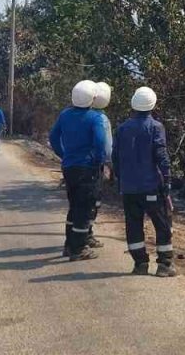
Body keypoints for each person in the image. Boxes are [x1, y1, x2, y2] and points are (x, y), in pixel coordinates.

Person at [112, 86, 178, 277]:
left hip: (129, 188)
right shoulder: (156, 127)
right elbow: (162, 157)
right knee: (162, 223)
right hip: (151, 187)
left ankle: (140, 264)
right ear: (153, 105)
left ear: (133, 104)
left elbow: (115, 157)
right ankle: (165, 265)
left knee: (133, 225)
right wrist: (167, 183)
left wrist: (121, 179)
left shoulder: (122, 129)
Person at [49, 80, 109, 261]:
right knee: (84, 208)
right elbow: (100, 144)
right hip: (87, 168)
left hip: (69, 168)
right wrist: (98, 162)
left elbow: (53, 137)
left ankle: (69, 245)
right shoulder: (95, 118)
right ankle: (78, 249)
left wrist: (63, 154)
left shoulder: (65, 115)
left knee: (74, 206)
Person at [83, 82, 115, 250]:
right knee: (93, 200)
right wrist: (110, 165)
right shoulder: (101, 119)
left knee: (79, 202)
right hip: (95, 165)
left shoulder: (81, 113)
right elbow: (107, 147)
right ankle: (86, 234)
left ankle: (80, 235)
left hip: (77, 165)